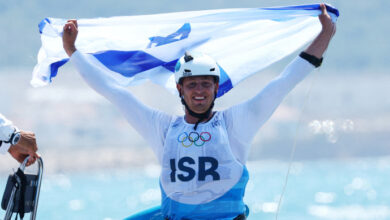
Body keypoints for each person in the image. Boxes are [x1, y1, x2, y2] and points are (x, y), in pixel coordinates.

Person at [62, 3, 335, 220]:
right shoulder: (162, 128)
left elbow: (283, 83)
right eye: (192, 85)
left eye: (206, 83)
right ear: (180, 90)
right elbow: (114, 92)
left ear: (216, 88)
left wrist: (325, 35)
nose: (199, 91)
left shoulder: (237, 123)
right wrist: (72, 50)